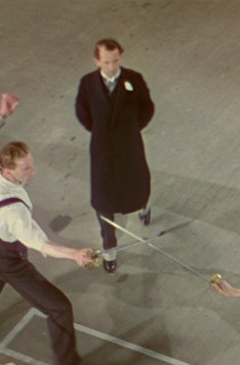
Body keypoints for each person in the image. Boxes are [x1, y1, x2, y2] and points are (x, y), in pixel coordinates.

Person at [0, 93, 98, 365]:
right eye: (26, 168)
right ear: (8, 170)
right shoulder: (13, 211)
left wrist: (1, 115)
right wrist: (75, 254)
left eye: (31, 164)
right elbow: (41, 244)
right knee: (59, 307)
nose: (33, 171)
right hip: (8, 256)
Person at [75, 38, 155, 274]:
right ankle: (109, 246)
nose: (111, 67)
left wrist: (131, 129)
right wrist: (100, 130)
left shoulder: (134, 79)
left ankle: (144, 206)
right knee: (103, 198)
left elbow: (147, 108)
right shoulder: (88, 83)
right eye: (106, 62)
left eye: (115, 61)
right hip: (102, 150)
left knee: (138, 183)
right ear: (96, 61)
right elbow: (82, 111)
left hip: (129, 146)